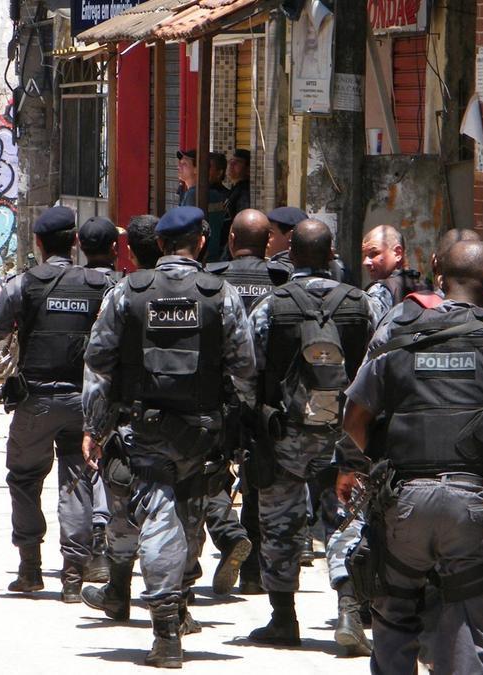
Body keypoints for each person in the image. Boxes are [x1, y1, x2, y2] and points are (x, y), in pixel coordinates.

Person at [342, 240, 483, 673]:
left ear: (439, 278)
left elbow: (353, 420)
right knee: (465, 633)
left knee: (394, 620)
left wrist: (385, 457)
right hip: (472, 503)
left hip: (402, 502)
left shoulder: (395, 334)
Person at [81, 205, 257, 668]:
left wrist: (94, 427)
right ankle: (177, 610)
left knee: (159, 518)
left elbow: (98, 363)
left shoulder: (127, 292)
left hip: (145, 429)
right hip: (204, 432)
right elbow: (245, 369)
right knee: (188, 518)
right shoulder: (223, 294)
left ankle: (166, 633)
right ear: (201, 243)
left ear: (159, 245)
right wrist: (240, 427)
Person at [244, 219, 380, 651]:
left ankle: (283, 618)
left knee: (279, 523)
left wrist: (255, 421)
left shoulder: (271, 306)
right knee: (346, 520)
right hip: (346, 438)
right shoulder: (363, 305)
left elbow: (247, 371)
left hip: (283, 434)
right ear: (331, 253)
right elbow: (382, 370)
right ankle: (348, 610)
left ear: (290, 254)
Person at [0, 207, 113, 602]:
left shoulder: (24, 284)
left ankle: (30, 569)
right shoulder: (99, 284)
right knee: (77, 482)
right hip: (84, 402)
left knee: (23, 479)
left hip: (35, 401)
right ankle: (72, 577)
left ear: (37, 243)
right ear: (74, 242)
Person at [205, 208, 282, 595]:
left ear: (231, 240)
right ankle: (253, 573)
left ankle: (229, 533)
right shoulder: (281, 282)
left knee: (209, 475)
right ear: (269, 242)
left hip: (221, 399)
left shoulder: (214, 280)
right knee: (259, 479)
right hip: (269, 403)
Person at [76, 215, 122, 583]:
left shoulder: (65, 284)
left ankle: (98, 545)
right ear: (115, 249)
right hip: (112, 392)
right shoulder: (122, 290)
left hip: (71, 389)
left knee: (88, 470)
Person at [180, 151, 231, 263]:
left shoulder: (194, 195)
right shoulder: (215, 195)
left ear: (197, 169)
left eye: (185, 164)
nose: (179, 166)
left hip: (198, 258)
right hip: (214, 257)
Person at [362, 225, 429, 307]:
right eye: (365, 255)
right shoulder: (426, 287)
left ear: (398, 253)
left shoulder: (380, 290)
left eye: (374, 253)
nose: (365, 262)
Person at [224, 149, 252, 222]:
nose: (231, 164)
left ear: (248, 169)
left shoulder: (244, 191)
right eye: (231, 161)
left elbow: (243, 219)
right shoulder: (235, 188)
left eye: (238, 162)